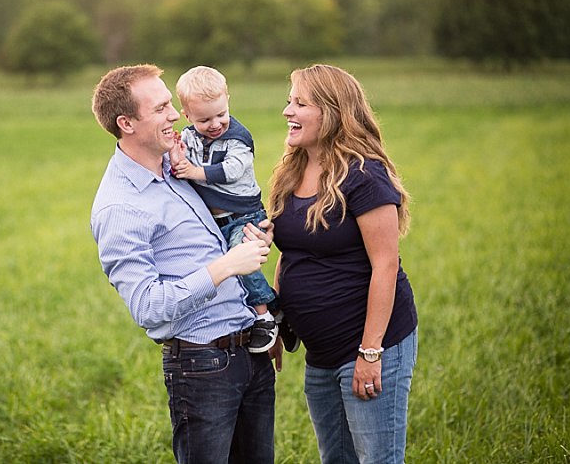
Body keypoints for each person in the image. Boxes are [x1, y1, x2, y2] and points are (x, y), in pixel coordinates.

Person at [90, 64, 277, 463]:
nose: (175, 114)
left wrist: (254, 239)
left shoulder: (175, 169)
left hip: (251, 353)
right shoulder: (120, 207)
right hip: (203, 366)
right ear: (126, 123)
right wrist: (228, 265)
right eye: (160, 108)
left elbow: (219, 232)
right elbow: (150, 308)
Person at [268, 64, 418, 464]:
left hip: (367, 346)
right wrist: (278, 324)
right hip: (320, 353)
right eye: (289, 101)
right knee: (336, 459)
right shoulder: (292, 170)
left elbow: (386, 265)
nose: (287, 111)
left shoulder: (365, 176)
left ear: (332, 112)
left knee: (377, 460)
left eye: (300, 103)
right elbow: (291, 254)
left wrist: (371, 353)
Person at [169, 65, 279, 354]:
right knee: (225, 274)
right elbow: (181, 156)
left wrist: (194, 171)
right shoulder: (190, 136)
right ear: (188, 116)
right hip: (216, 219)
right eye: (204, 119)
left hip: (244, 215)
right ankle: (276, 307)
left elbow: (232, 170)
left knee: (241, 261)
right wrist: (177, 153)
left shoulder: (238, 137)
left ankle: (264, 316)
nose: (216, 123)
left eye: (221, 114)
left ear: (227, 100)